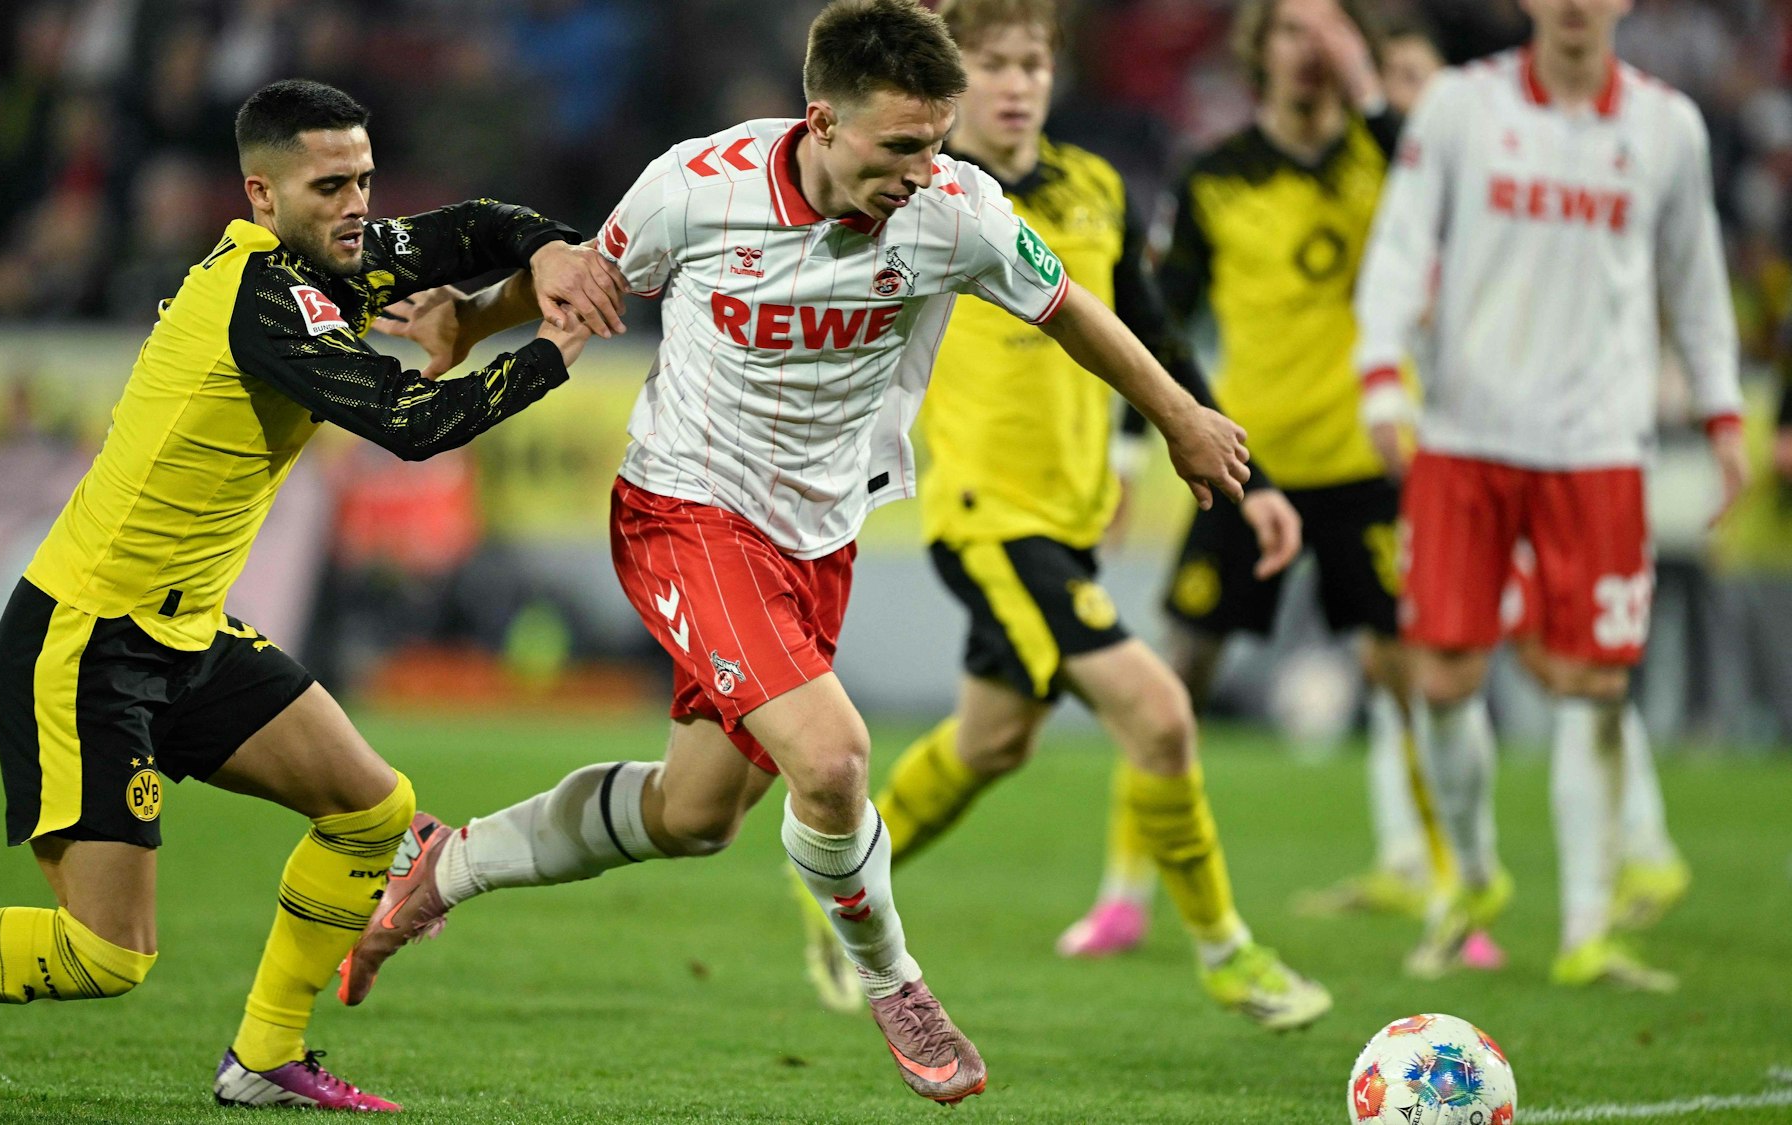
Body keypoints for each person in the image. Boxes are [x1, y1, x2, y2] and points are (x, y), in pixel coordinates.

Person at [336, 0, 1254, 1106]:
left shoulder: (955, 209)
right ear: (820, 120)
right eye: (900, 146)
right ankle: (895, 983)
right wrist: (472, 324)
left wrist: (1178, 416)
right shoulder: (694, 186)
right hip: (683, 512)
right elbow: (583, 278)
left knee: (692, 818)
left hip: (817, 536)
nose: (924, 169)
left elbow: (1069, 309)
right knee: (831, 759)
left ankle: (445, 865)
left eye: (936, 141)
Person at [0, 79, 623, 1109]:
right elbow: (413, 425)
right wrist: (550, 351)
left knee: (372, 812)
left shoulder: (337, 257)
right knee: (106, 956)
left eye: (363, 179)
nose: (356, 204)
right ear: (262, 197)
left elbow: (474, 228)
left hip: (184, 633)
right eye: (329, 186)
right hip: (86, 641)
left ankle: (264, 1056)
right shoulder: (260, 298)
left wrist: (543, 246)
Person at [769, 0, 1326, 1033]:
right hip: (984, 517)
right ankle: (1226, 954)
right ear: (950, 80)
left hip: (1067, 515)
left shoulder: (1095, 185)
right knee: (1158, 712)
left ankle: (833, 893)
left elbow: (1142, 328)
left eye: (1033, 61)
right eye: (993, 63)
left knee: (992, 743)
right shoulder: (917, 198)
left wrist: (1214, 463)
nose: (1018, 83)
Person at [1354, 0, 1747, 989]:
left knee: (1594, 686)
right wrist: (1379, 372)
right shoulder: (1458, 105)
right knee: (1439, 678)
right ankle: (1473, 878)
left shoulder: (1665, 126)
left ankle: (1585, 929)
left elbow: (1692, 276)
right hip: (1462, 436)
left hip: (1595, 447)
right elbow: (1399, 244)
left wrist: (1720, 410)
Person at [1066, 0, 1450, 948]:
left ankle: (1452, 893)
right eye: (1289, 31)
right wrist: (1125, 452)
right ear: (1256, 50)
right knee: (1175, 672)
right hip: (1248, 460)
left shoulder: (1392, 158)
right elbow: (1158, 322)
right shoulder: (1215, 175)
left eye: (1327, 33)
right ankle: (1124, 892)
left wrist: (1368, 81)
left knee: (1415, 677)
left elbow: (1452, 191)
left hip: (1369, 458)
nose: (1308, 51)